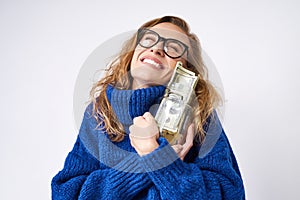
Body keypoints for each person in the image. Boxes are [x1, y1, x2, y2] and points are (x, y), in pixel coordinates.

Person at [51, 16, 245, 199]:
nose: (157, 49)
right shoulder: (99, 113)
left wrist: (160, 160)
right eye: (149, 39)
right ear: (133, 53)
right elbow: (65, 193)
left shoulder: (200, 115)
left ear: (184, 69)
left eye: (174, 47)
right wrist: (152, 160)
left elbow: (231, 194)